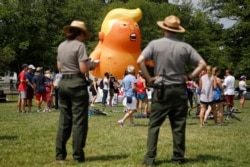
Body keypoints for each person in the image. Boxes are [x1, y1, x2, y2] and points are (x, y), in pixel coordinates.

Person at [137, 15, 206, 165]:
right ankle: (178, 158)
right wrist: (189, 76)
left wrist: (149, 78)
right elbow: (202, 64)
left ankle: (149, 159)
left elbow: (139, 61)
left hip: (162, 89)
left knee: (154, 125)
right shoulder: (185, 47)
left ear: (163, 28)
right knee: (179, 126)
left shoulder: (155, 44)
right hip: (179, 90)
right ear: (177, 31)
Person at [55, 20, 98, 163]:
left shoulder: (61, 46)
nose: (84, 37)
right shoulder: (80, 46)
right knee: (79, 122)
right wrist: (91, 65)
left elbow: (59, 67)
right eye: (83, 35)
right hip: (76, 84)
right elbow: (83, 69)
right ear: (79, 33)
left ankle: (60, 155)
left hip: (63, 84)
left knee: (64, 121)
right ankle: (78, 155)